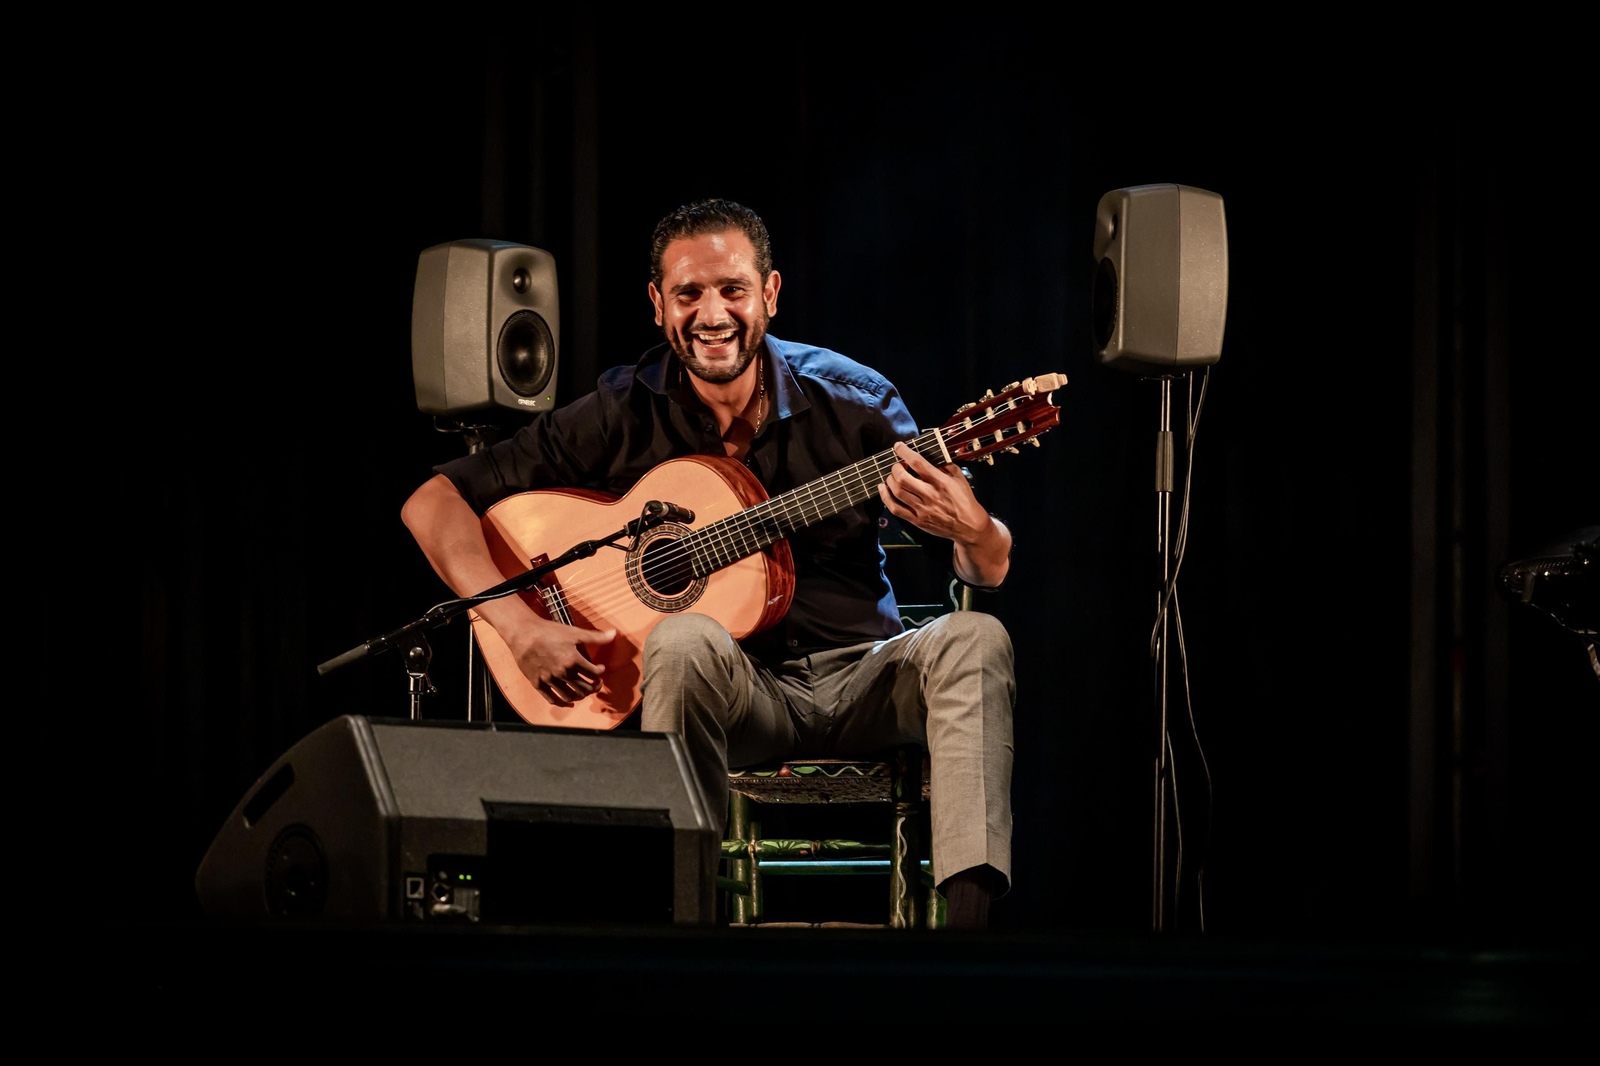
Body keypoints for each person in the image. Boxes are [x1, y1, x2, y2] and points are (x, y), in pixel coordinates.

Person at [401, 199, 1014, 928]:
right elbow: (433, 502)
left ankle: (968, 942)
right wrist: (517, 626)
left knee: (976, 639)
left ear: (771, 295)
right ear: (659, 306)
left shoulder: (857, 403)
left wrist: (975, 529)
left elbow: (988, 570)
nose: (712, 313)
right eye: (689, 293)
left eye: (733, 290)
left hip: (864, 677)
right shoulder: (622, 409)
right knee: (683, 638)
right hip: (740, 698)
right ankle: (681, 932)